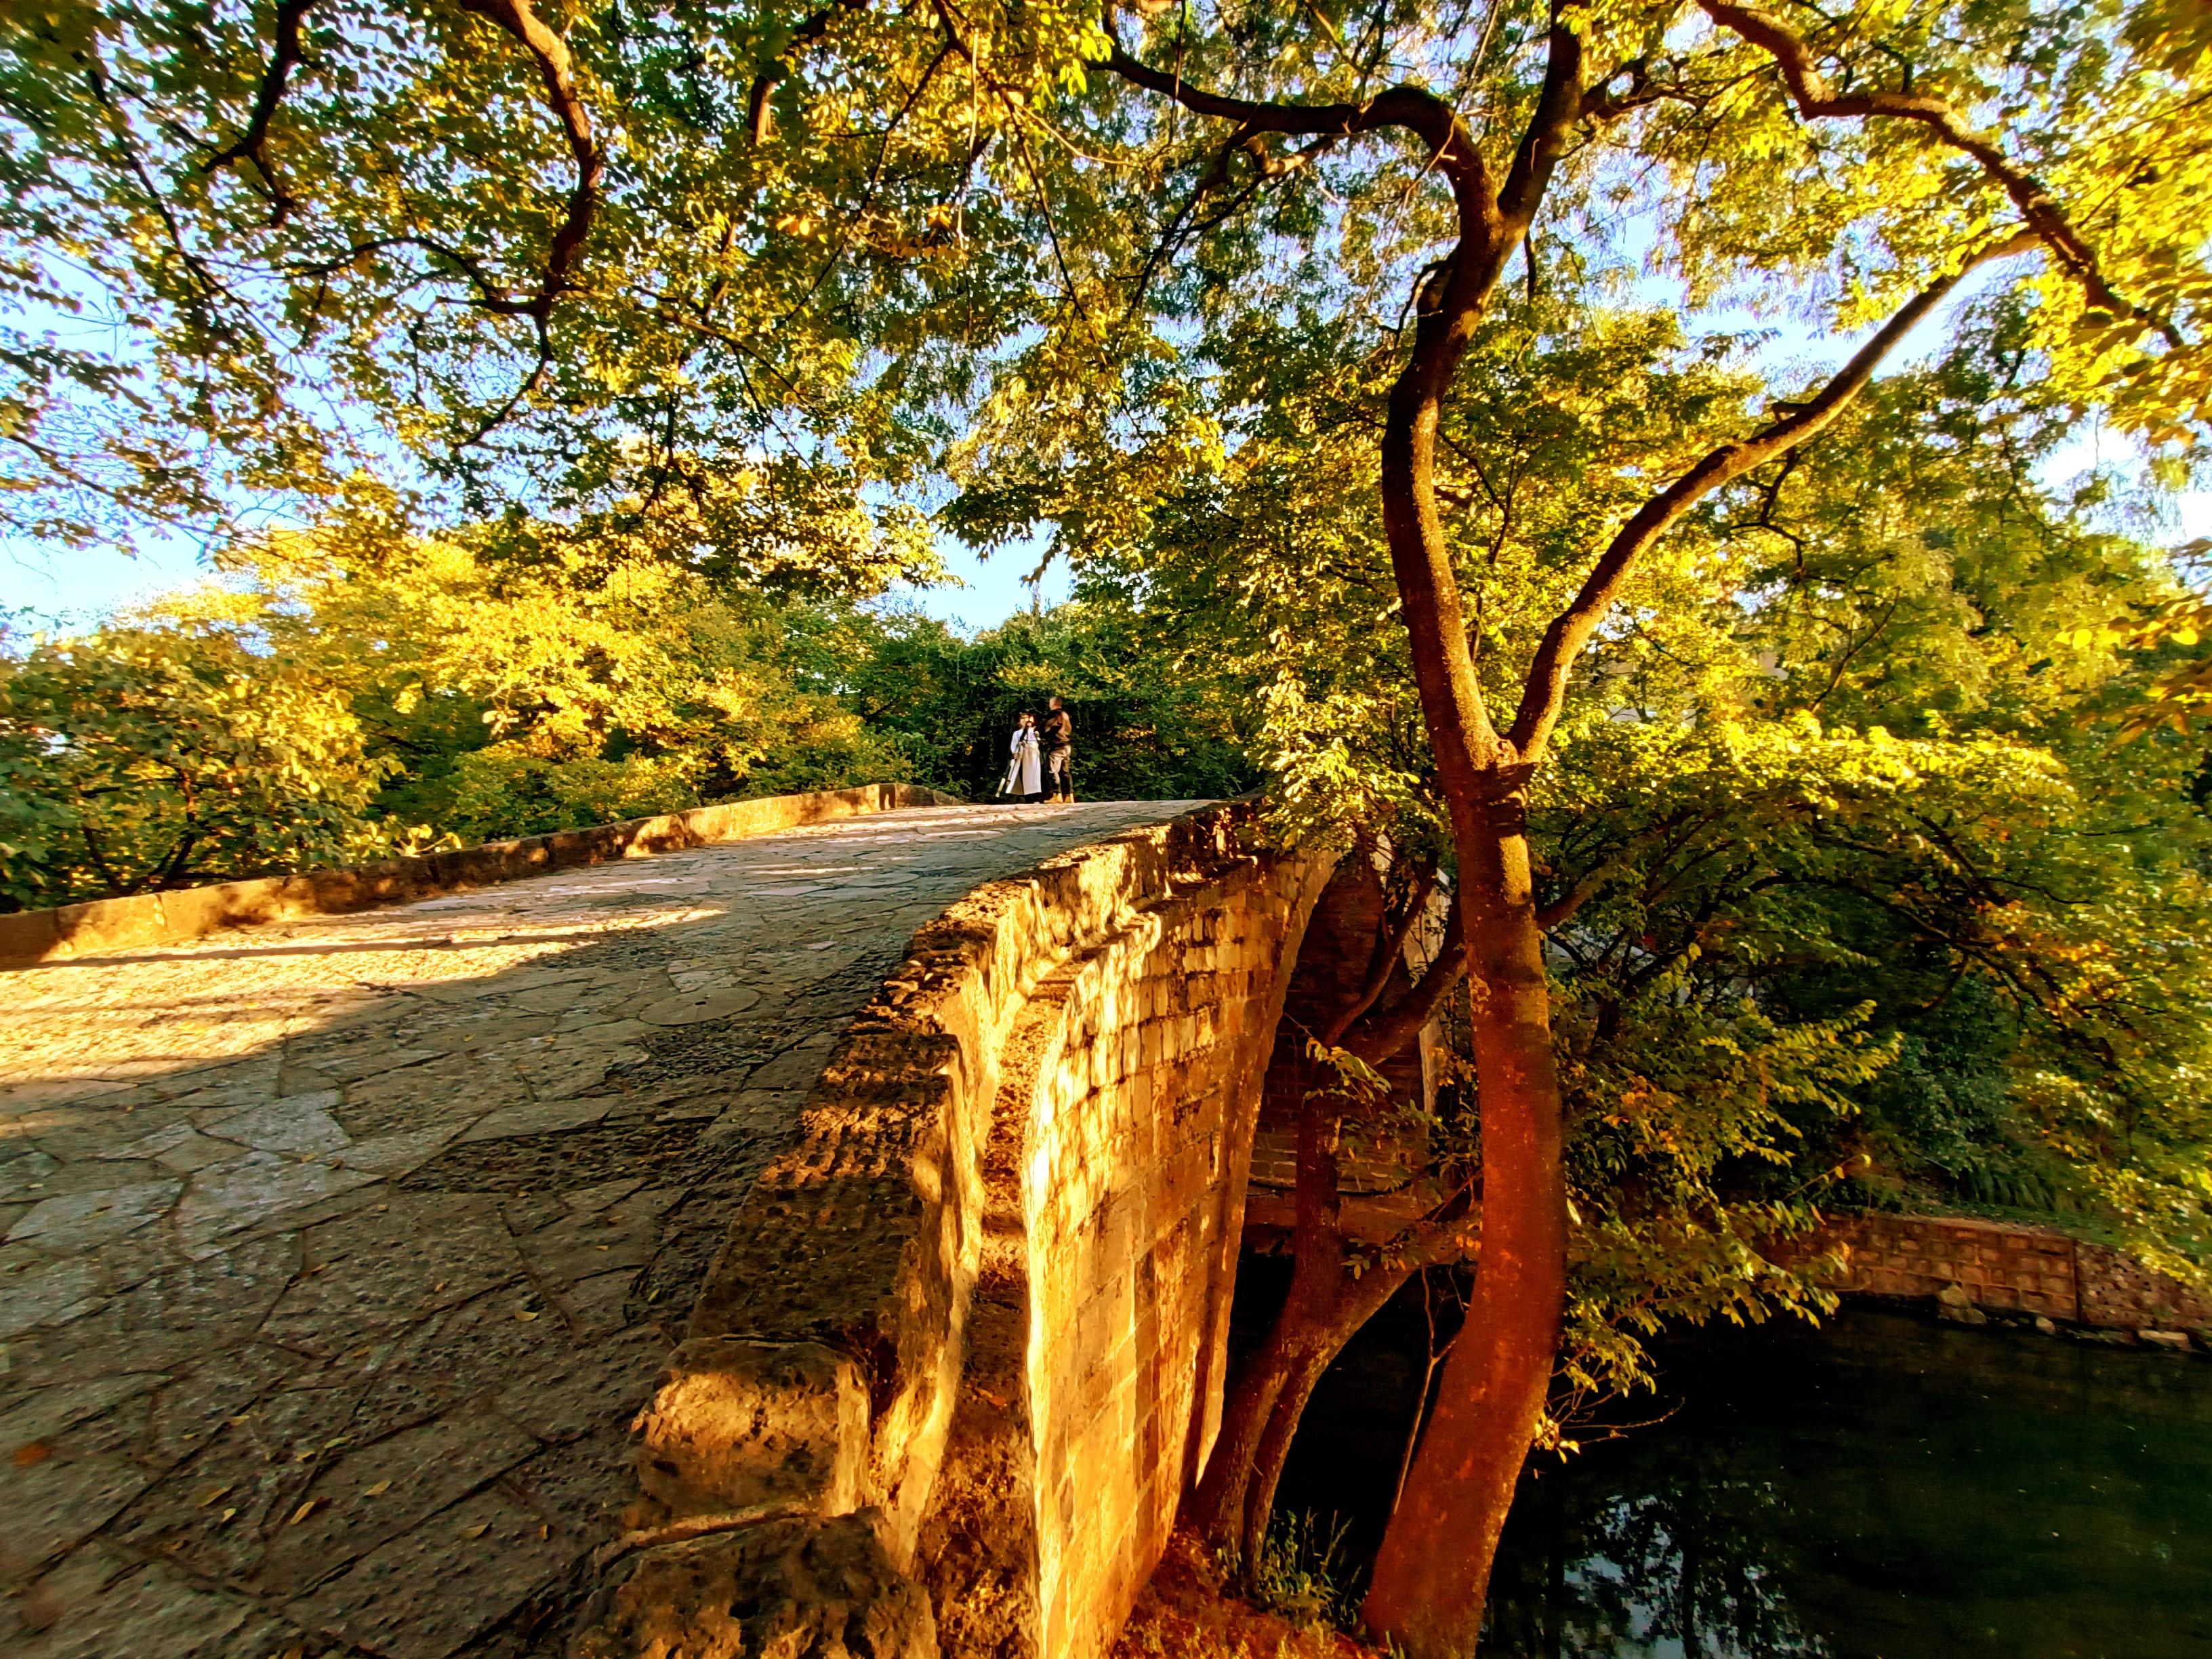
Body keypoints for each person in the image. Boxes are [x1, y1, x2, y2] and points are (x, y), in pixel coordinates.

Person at [1003, 711, 1044, 802]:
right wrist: (1016, 752)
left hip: (1033, 756)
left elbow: (1038, 742)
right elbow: (1014, 745)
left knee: (1034, 776)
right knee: (1021, 775)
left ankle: (1035, 796)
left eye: (1026, 718)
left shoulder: (1034, 731)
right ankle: (1021, 796)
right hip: (1022, 755)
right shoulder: (1017, 733)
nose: (1025, 720)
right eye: (1022, 719)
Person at [1043, 695, 1074, 803]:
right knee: (1065, 771)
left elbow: (1050, 728)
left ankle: (1057, 795)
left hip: (1057, 745)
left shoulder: (1055, 715)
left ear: (1053, 704)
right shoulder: (1065, 715)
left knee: (1052, 770)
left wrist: (1043, 735)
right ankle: (1069, 796)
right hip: (1067, 745)